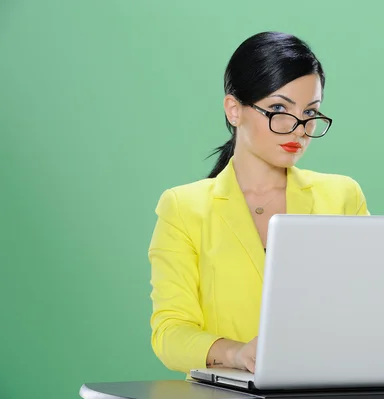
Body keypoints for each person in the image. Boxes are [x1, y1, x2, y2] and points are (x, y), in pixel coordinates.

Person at [148, 31, 370, 378]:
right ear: (234, 110)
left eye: (310, 112)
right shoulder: (183, 207)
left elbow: (368, 307)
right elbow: (170, 333)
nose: (299, 129)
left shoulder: (342, 196)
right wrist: (237, 353)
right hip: (227, 391)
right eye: (279, 109)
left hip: (324, 385)